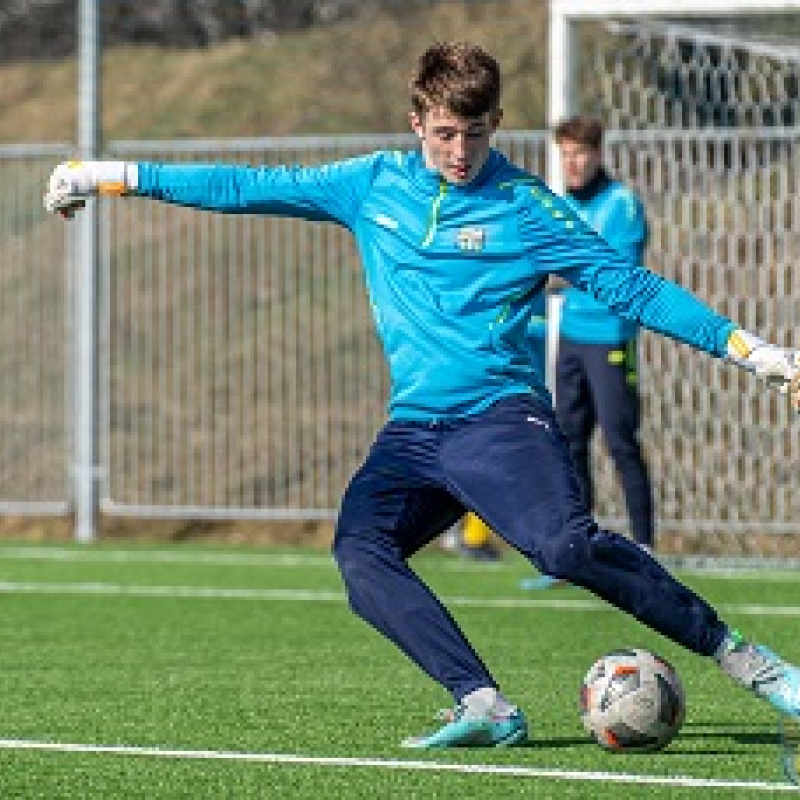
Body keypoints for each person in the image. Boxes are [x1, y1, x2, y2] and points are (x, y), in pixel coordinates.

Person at [44, 41, 800, 750]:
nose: (459, 152)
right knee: (360, 553)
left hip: (501, 421)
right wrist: (105, 175)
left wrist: (752, 351)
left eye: (474, 134)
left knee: (564, 546)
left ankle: (750, 664)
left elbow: (633, 287)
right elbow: (246, 186)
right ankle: (483, 703)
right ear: (417, 124)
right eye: (443, 134)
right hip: (412, 434)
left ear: (496, 125)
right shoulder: (372, 184)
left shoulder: (528, 207)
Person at [522, 116, 654, 591]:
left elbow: (612, 271)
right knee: (568, 440)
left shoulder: (621, 204)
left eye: (580, 153)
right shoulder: (555, 207)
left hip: (611, 337)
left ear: (598, 154)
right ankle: (579, 550)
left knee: (619, 440)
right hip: (572, 337)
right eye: (565, 154)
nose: (573, 163)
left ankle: (646, 548)